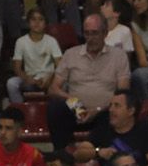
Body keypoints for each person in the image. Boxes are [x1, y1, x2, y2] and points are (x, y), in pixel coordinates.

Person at [47, 13, 132, 150]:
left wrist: (97, 110)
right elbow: (53, 89)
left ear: (105, 33)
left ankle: (92, 151)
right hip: (77, 110)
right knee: (56, 107)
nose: (90, 38)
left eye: (95, 33)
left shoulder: (119, 56)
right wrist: (75, 103)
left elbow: (123, 92)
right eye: (87, 34)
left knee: (113, 114)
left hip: (105, 111)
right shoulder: (71, 54)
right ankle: (63, 154)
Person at [79, 89, 148, 166]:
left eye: (117, 106)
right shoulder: (103, 128)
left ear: (131, 110)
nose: (111, 110)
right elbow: (79, 154)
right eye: (110, 105)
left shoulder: (144, 130)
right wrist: (98, 152)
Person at [8, 6, 63, 103]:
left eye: (40, 19)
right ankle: (21, 112)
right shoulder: (21, 41)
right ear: (28, 22)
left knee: (68, 83)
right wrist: (28, 79)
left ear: (45, 23)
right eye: (33, 19)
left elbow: (60, 66)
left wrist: (50, 78)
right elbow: (17, 68)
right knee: (11, 83)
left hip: (49, 78)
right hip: (29, 79)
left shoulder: (51, 41)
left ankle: (79, 113)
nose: (37, 23)